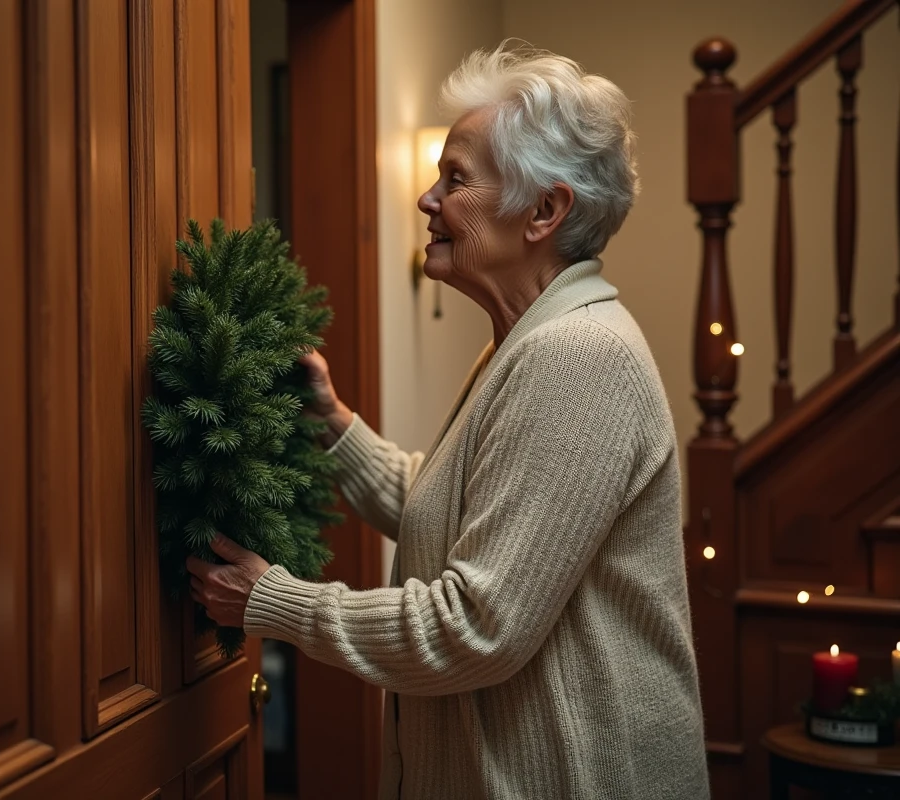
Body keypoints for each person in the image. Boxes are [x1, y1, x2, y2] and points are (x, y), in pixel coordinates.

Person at [187, 43, 709, 799]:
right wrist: (333, 423)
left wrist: (278, 601)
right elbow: (466, 514)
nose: (427, 200)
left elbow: (475, 625)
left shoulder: (578, 355)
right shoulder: (526, 341)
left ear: (545, 210)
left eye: (455, 179)